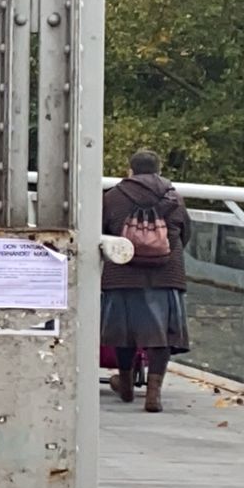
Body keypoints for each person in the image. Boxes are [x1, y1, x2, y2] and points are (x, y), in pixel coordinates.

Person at [101, 150, 192, 412]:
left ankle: (126, 384)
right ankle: (154, 394)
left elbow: (103, 234)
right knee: (161, 335)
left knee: (124, 332)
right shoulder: (174, 197)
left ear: (130, 170)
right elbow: (185, 233)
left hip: (122, 274)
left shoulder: (113, 197)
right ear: (159, 170)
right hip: (165, 275)